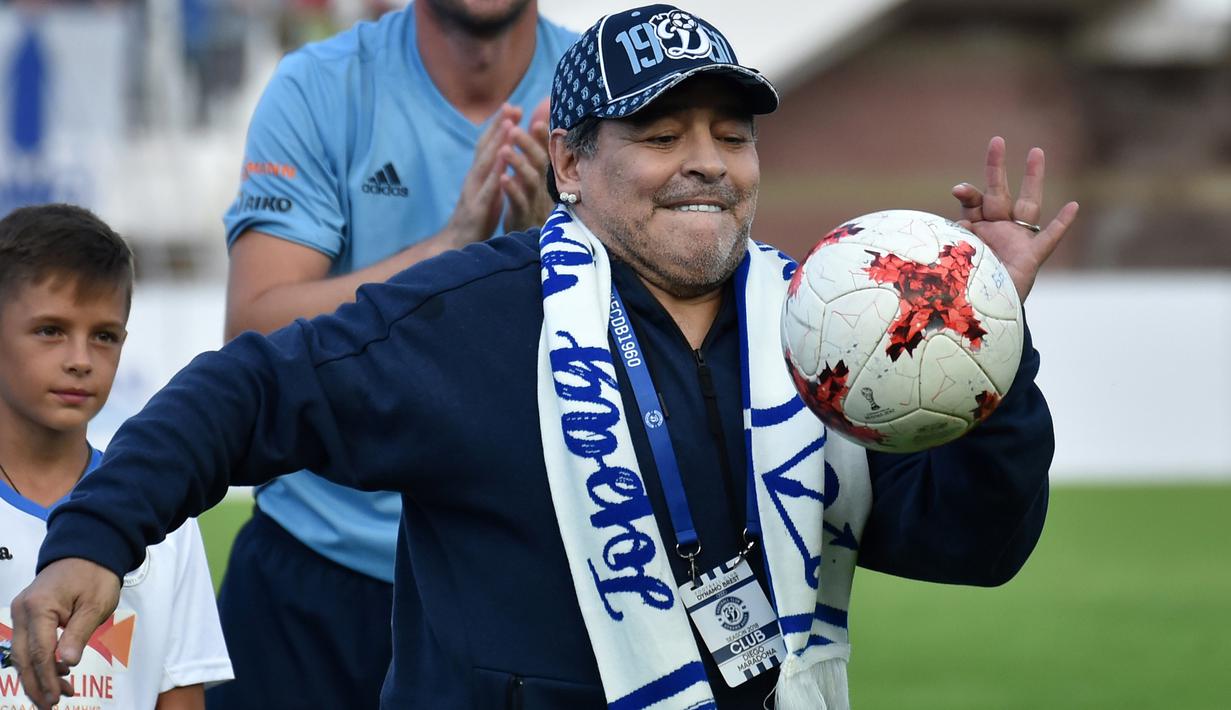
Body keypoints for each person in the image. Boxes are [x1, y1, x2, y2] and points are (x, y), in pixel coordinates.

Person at [9, 5, 1079, 709]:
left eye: (729, 133)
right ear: (570, 162)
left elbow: (977, 542)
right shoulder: (473, 316)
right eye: (660, 136)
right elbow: (247, 387)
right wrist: (95, 537)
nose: (704, 163)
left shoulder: (827, 329)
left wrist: (987, 349)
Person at [214, 0, 575, 705]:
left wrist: (542, 261)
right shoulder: (322, 85)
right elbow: (253, 331)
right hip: (312, 572)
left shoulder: (604, 89)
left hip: (516, 586)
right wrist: (449, 252)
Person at [0, 204, 233, 709]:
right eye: (50, 330)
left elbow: (181, 696)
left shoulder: (161, 514)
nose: (81, 360)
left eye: (104, 336)